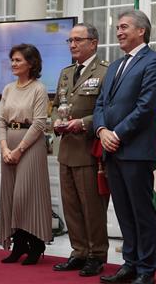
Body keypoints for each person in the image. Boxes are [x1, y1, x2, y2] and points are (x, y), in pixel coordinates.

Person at [93, 10, 156, 284]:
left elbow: (147, 107)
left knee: (141, 212)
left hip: (136, 150)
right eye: (117, 28)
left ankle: (147, 270)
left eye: (124, 27)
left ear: (141, 30)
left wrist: (117, 134)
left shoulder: (155, 62)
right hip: (111, 149)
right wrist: (101, 131)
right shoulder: (114, 66)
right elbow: (101, 103)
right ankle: (130, 263)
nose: (118, 32)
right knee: (123, 211)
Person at [51, 23, 109, 277]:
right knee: (71, 207)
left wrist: (83, 123)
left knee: (92, 208)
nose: (72, 45)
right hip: (66, 151)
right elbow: (56, 104)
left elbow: (107, 110)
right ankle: (78, 252)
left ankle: (96, 255)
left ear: (93, 43)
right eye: (70, 41)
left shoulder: (106, 72)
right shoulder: (66, 73)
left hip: (89, 152)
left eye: (78, 40)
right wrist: (55, 120)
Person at [0, 43, 52, 265]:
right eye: (12, 60)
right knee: (10, 196)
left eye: (18, 60)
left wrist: (18, 150)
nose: (13, 64)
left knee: (24, 196)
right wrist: (4, 148)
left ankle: (36, 244)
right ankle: (19, 245)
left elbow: (39, 123)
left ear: (31, 63)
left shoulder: (39, 88)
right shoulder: (8, 88)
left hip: (30, 147)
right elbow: (0, 120)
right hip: (8, 146)